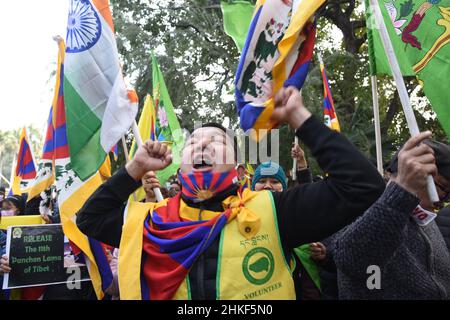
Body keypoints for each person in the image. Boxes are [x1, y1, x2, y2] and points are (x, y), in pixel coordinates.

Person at [76, 86, 385, 300]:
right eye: (194, 142)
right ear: (181, 166)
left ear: (238, 171)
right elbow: (89, 219)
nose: (203, 144)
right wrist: (134, 169)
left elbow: (362, 186)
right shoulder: (150, 223)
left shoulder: (274, 211)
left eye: (217, 141)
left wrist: (300, 119)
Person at [334, 133, 450, 299]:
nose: (443, 200)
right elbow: (352, 259)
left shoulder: (426, 220)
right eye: (443, 188)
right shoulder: (364, 206)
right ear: (415, 171)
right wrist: (403, 191)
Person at [251, 161, 322, 299]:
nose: (267, 186)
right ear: (253, 186)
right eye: (262, 181)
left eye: (274, 181)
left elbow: (308, 199)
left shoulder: (295, 216)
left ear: (283, 187)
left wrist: (324, 255)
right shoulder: (239, 218)